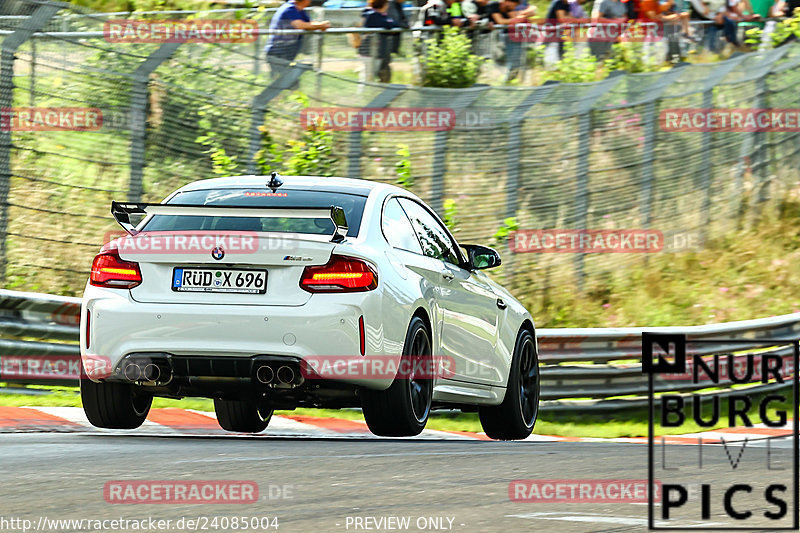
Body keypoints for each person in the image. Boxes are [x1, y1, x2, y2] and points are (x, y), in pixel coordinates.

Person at [264, 0, 331, 78]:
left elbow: (309, 23)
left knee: (289, 80)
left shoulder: (299, 10)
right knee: (283, 80)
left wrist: (320, 25)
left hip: (287, 50)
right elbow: (299, 25)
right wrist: (320, 26)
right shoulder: (290, 9)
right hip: (278, 52)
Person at [486, 0, 536, 80]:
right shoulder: (494, 4)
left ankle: (508, 83)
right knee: (501, 63)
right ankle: (502, 83)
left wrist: (520, 16)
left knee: (515, 64)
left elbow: (531, 12)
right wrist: (518, 19)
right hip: (490, 36)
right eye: (514, 5)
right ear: (507, 2)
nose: (514, 8)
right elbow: (501, 21)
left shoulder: (508, 8)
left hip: (509, 36)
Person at [359, 0, 401, 82]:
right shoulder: (372, 15)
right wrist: (391, 23)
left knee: (375, 76)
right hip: (369, 52)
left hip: (378, 52)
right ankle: (365, 94)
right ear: (383, 5)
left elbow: (393, 24)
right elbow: (390, 24)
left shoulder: (381, 15)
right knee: (368, 78)